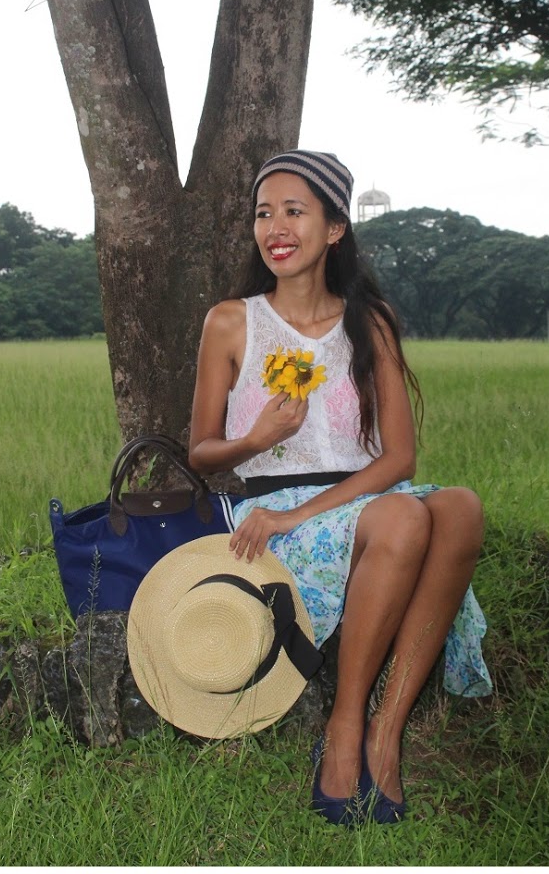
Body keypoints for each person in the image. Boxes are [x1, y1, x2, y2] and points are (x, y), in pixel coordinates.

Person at [187, 149, 490, 826]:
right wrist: (257, 438)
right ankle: (345, 729)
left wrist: (312, 515)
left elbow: (401, 457)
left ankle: (387, 726)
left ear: (333, 228)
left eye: (295, 210)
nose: (276, 227)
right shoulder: (232, 321)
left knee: (459, 506)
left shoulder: (369, 320)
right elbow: (201, 450)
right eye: (264, 213)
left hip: (346, 504)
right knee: (404, 521)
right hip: (269, 510)